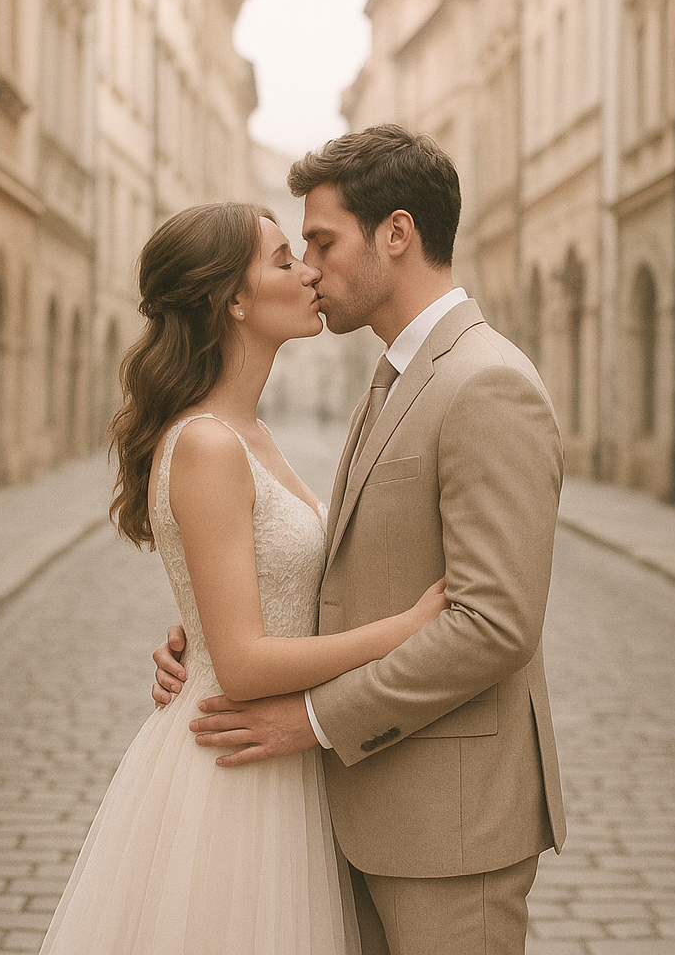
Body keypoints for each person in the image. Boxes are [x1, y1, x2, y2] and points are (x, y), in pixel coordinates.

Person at [153, 125, 566, 955]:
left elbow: (494, 624)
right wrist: (206, 635)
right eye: (295, 249)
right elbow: (337, 569)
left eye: (322, 240)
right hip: (354, 814)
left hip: (447, 831)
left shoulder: (485, 383)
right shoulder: (396, 375)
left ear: (398, 233)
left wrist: (312, 718)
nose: (308, 267)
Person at [37, 201, 448, 955]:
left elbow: (253, 604)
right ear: (232, 299)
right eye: (285, 260)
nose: (310, 272)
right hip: (235, 771)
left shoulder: (250, 435)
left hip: (281, 758)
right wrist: (405, 630)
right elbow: (245, 662)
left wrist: (189, 638)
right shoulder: (207, 444)